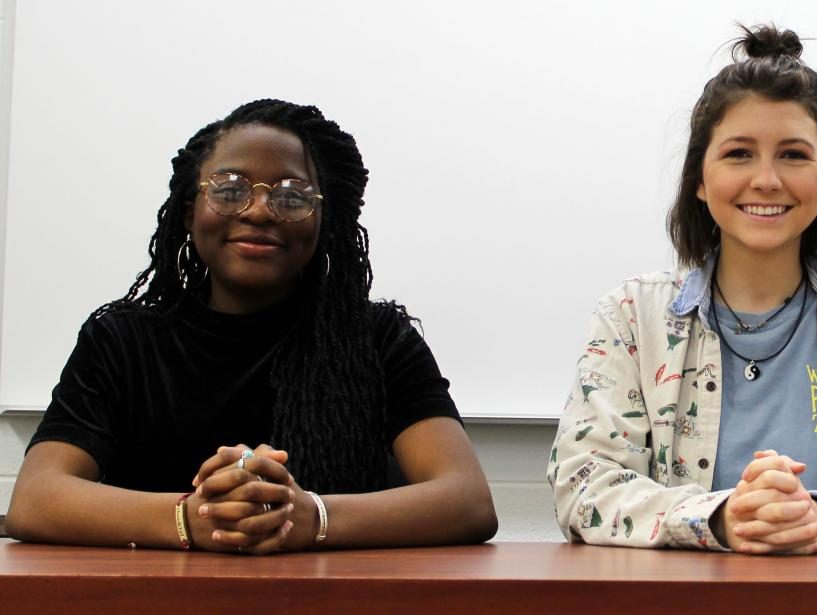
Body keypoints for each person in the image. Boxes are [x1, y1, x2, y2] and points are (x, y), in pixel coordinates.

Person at [6, 100, 497, 554]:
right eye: (229, 190)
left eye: (291, 196)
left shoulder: (377, 339)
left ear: (325, 220)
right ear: (188, 211)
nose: (259, 210)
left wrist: (311, 517)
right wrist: (193, 518)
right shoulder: (120, 341)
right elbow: (36, 499)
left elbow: (467, 501)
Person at [547, 25, 817, 554]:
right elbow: (584, 485)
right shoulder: (631, 314)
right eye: (739, 153)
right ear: (699, 178)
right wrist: (719, 518)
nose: (766, 179)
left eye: (793, 154)